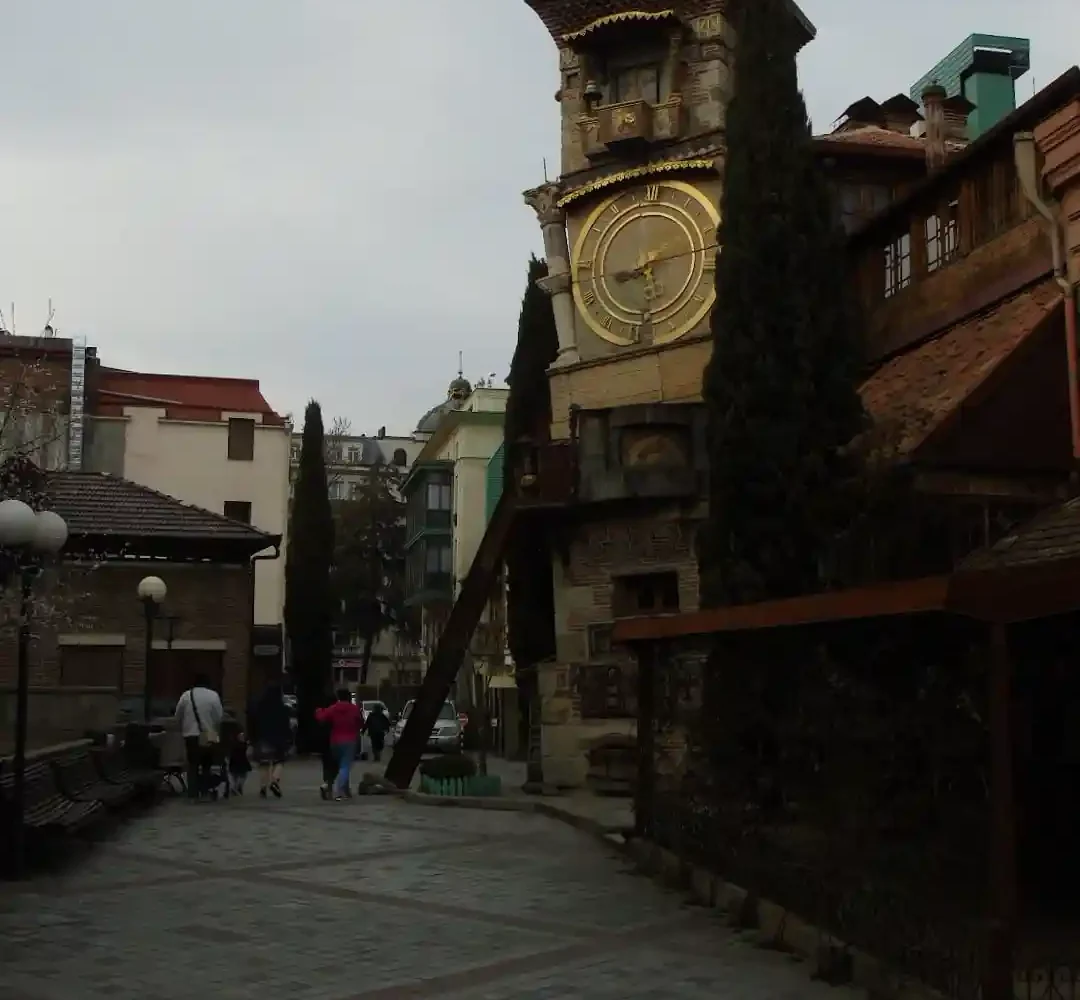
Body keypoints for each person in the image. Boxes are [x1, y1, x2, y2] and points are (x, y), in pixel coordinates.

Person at [174, 674, 223, 801]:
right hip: (209, 734)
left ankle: (192, 793)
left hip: (191, 734)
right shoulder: (213, 695)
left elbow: (177, 715)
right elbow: (219, 717)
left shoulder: (186, 695)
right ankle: (205, 790)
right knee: (207, 763)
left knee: (193, 764)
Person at [314, 689, 363, 801]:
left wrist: (318, 711)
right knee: (345, 766)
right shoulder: (354, 709)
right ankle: (339, 791)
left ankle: (332, 786)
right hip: (350, 740)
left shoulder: (334, 708)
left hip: (335, 740)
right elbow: (360, 722)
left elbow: (321, 717)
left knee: (337, 766)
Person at [251, 681, 292, 799]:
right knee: (279, 761)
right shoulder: (283, 708)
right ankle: (274, 780)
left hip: (262, 738)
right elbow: (287, 725)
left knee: (264, 763)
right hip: (279, 739)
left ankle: (263, 787)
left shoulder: (259, 706)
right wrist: (289, 738)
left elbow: (254, 723)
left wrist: (253, 738)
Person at [228, 730, 253, 795]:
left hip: (234, 761)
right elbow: (248, 752)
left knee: (235, 776)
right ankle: (237, 787)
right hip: (242, 761)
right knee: (243, 775)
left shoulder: (233, 743)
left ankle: (235, 788)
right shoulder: (244, 745)